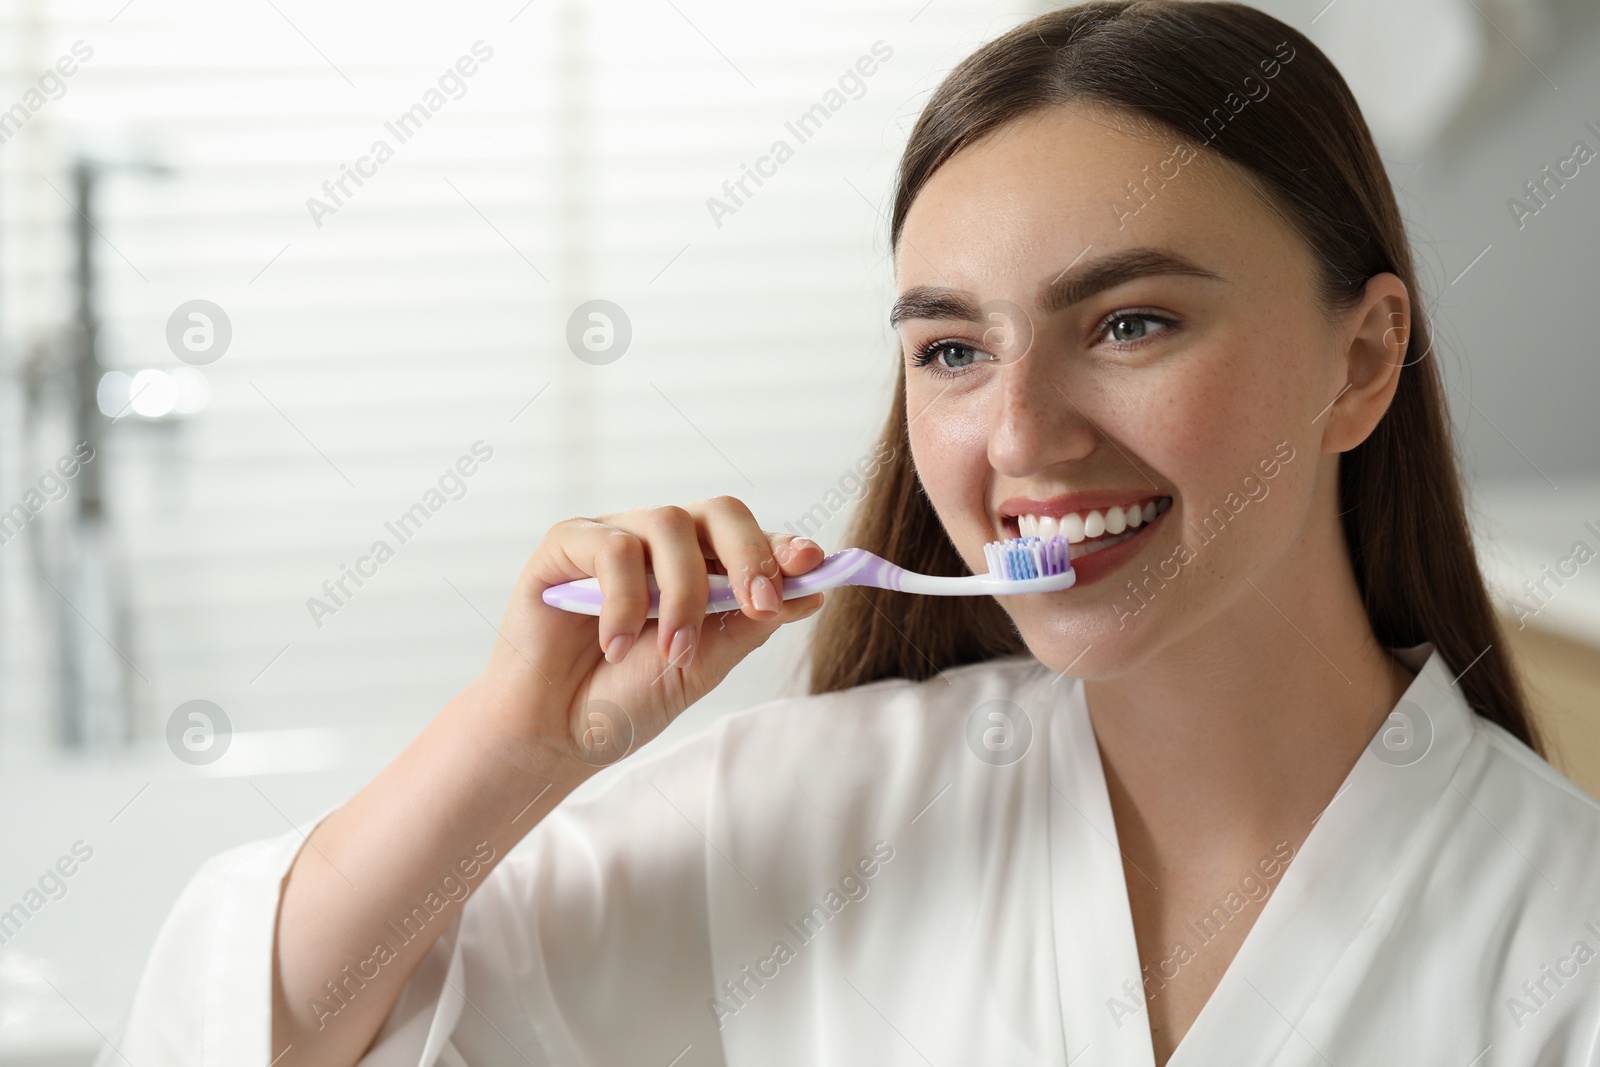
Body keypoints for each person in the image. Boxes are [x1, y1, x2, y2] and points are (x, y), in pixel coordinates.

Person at [102, 2, 1600, 1065]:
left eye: (1130, 321)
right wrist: (518, 746)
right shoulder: (807, 817)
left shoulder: (1561, 937)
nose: (1021, 435)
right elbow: (246, 1037)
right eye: (953, 349)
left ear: (1363, 358)